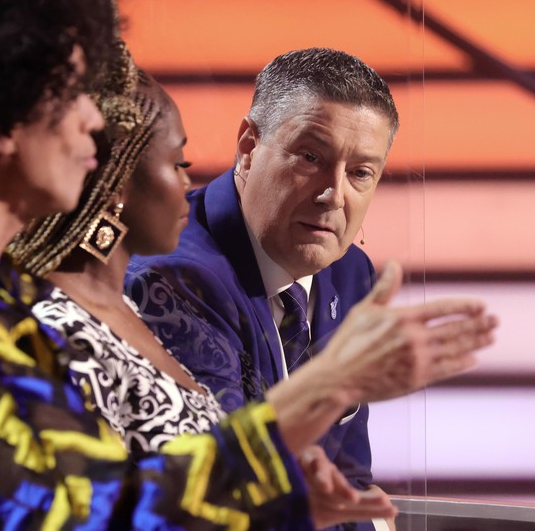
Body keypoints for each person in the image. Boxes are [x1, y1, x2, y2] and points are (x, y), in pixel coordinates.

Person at [0, 0, 495, 526]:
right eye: (73, 90)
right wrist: (327, 389)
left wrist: (279, 495)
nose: (94, 118)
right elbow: (93, 517)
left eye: (362, 172)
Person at [125, 48, 454, 523]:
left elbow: (348, 477)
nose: (333, 194)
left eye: (361, 172)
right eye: (310, 157)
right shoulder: (175, 279)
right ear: (248, 148)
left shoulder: (350, 272)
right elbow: (219, 494)